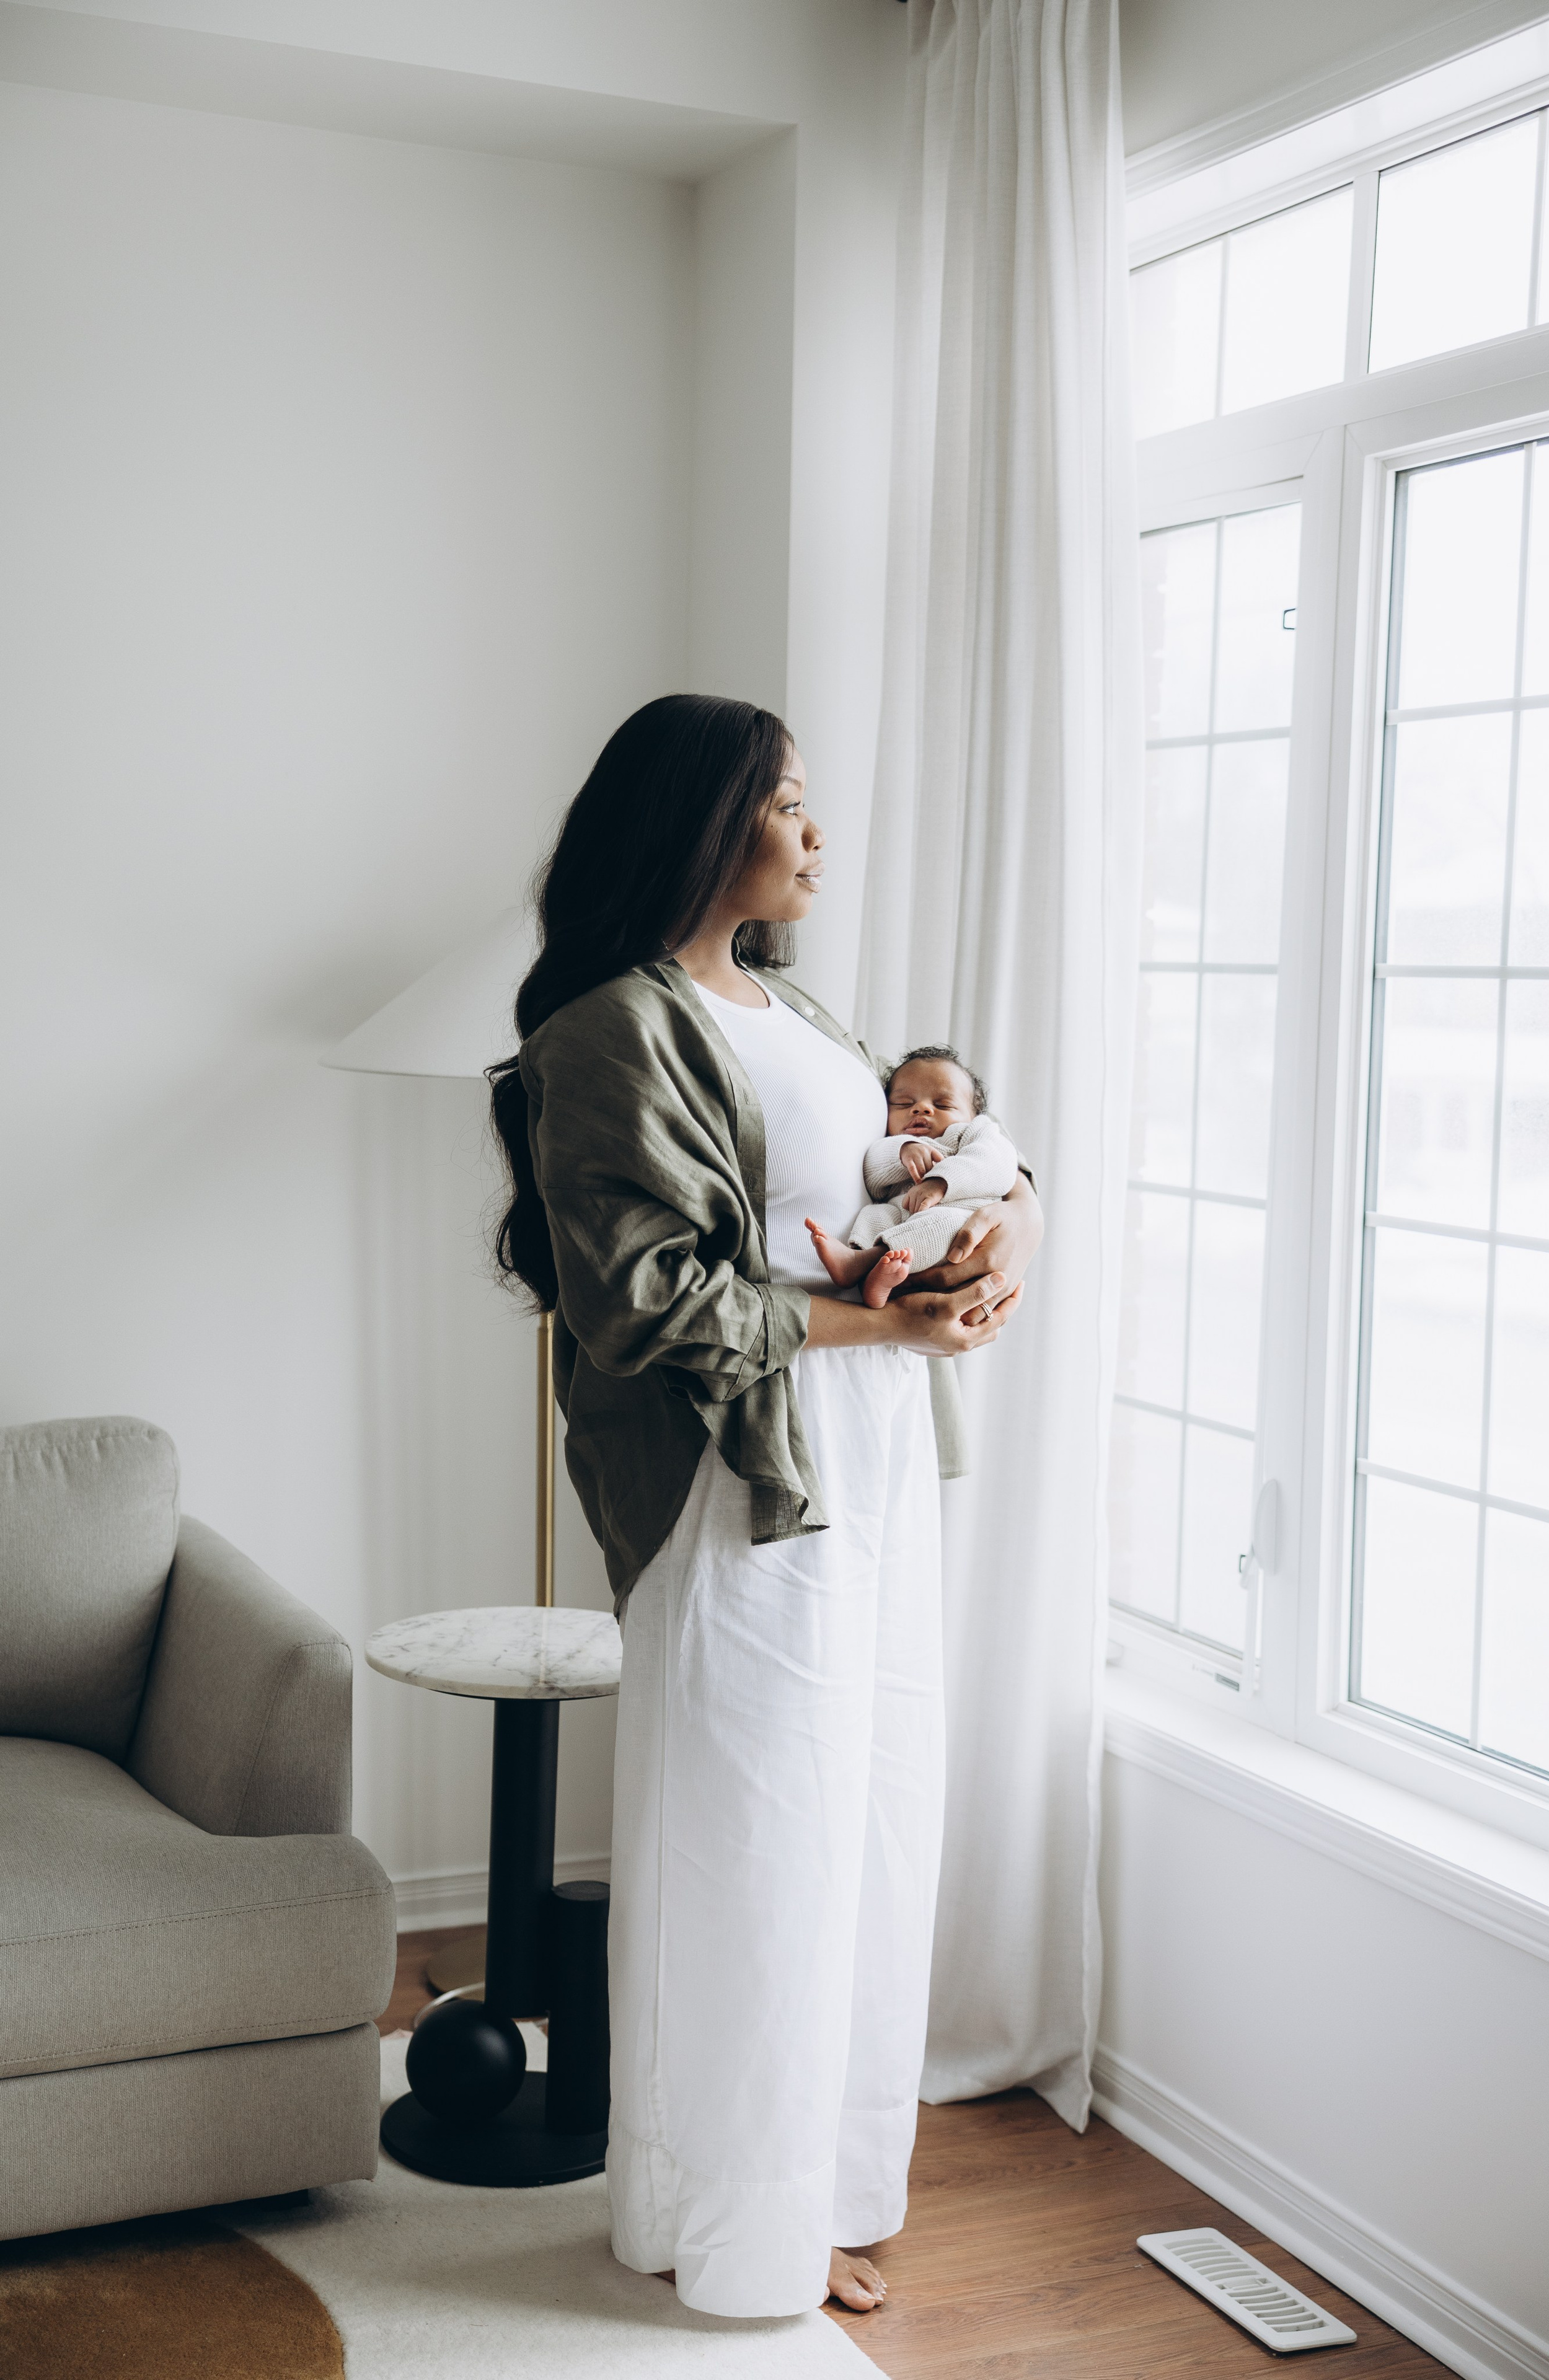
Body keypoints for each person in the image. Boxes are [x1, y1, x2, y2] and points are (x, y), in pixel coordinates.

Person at [487, 694, 1042, 2321]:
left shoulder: (800, 1015)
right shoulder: (609, 1028)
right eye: (788, 803)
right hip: (744, 1487)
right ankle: (731, 2225)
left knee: (861, 1825)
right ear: (704, 822)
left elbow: (886, 1184)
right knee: (756, 1845)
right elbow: (646, 1304)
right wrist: (893, 1320)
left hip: (868, 1467)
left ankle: (813, 2193)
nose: (816, 833)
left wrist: (991, 1238)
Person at [805, 1046, 1019, 1307]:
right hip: (900, 1214)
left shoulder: (977, 1133)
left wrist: (940, 1182)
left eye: (943, 1105)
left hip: (959, 1216)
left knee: (944, 1223)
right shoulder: (893, 1144)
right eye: (904, 1104)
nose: (921, 1109)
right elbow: (872, 1174)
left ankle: (861, 1264)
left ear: (974, 1117)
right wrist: (903, 1151)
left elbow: (998, 1163)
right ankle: (876, 1283)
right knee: (874, 1216)